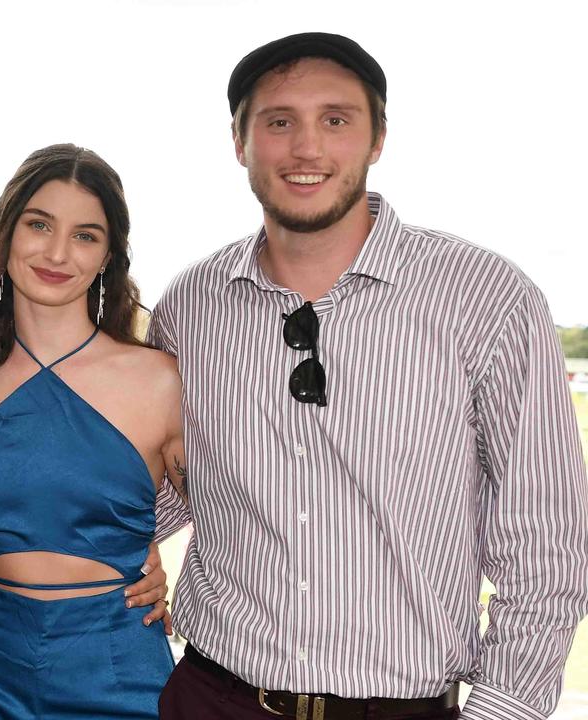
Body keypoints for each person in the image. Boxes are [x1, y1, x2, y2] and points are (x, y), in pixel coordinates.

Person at [150, 32, 588, 720]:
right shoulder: (189, 306)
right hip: (211, 696)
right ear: (239, 142)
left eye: (336, 120)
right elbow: (159, 486)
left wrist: (504, 709)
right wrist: (32, 581)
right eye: (279, 122)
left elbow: (545, 539)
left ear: (378, 138)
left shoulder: (489, 297)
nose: (307, 149)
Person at [0, 144, 184, 718]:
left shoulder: (157, 378)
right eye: (39, 224)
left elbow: (242, 515)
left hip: (117, 669)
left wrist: (161, 563)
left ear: (107, 255)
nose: (57, 252)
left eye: (85, 235)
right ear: (6, 233)